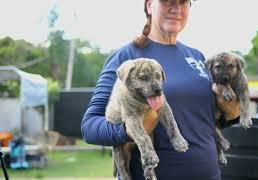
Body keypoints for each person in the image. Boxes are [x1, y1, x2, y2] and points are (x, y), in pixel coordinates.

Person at [81, 0, 240, 179]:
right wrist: (128, 131)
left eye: (183, 2)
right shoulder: (127, 57)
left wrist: (232, 113)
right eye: (167, 1)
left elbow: (202, 121)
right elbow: (90, 127)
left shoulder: (197, 57)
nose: (176, 9)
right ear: (149, 5)